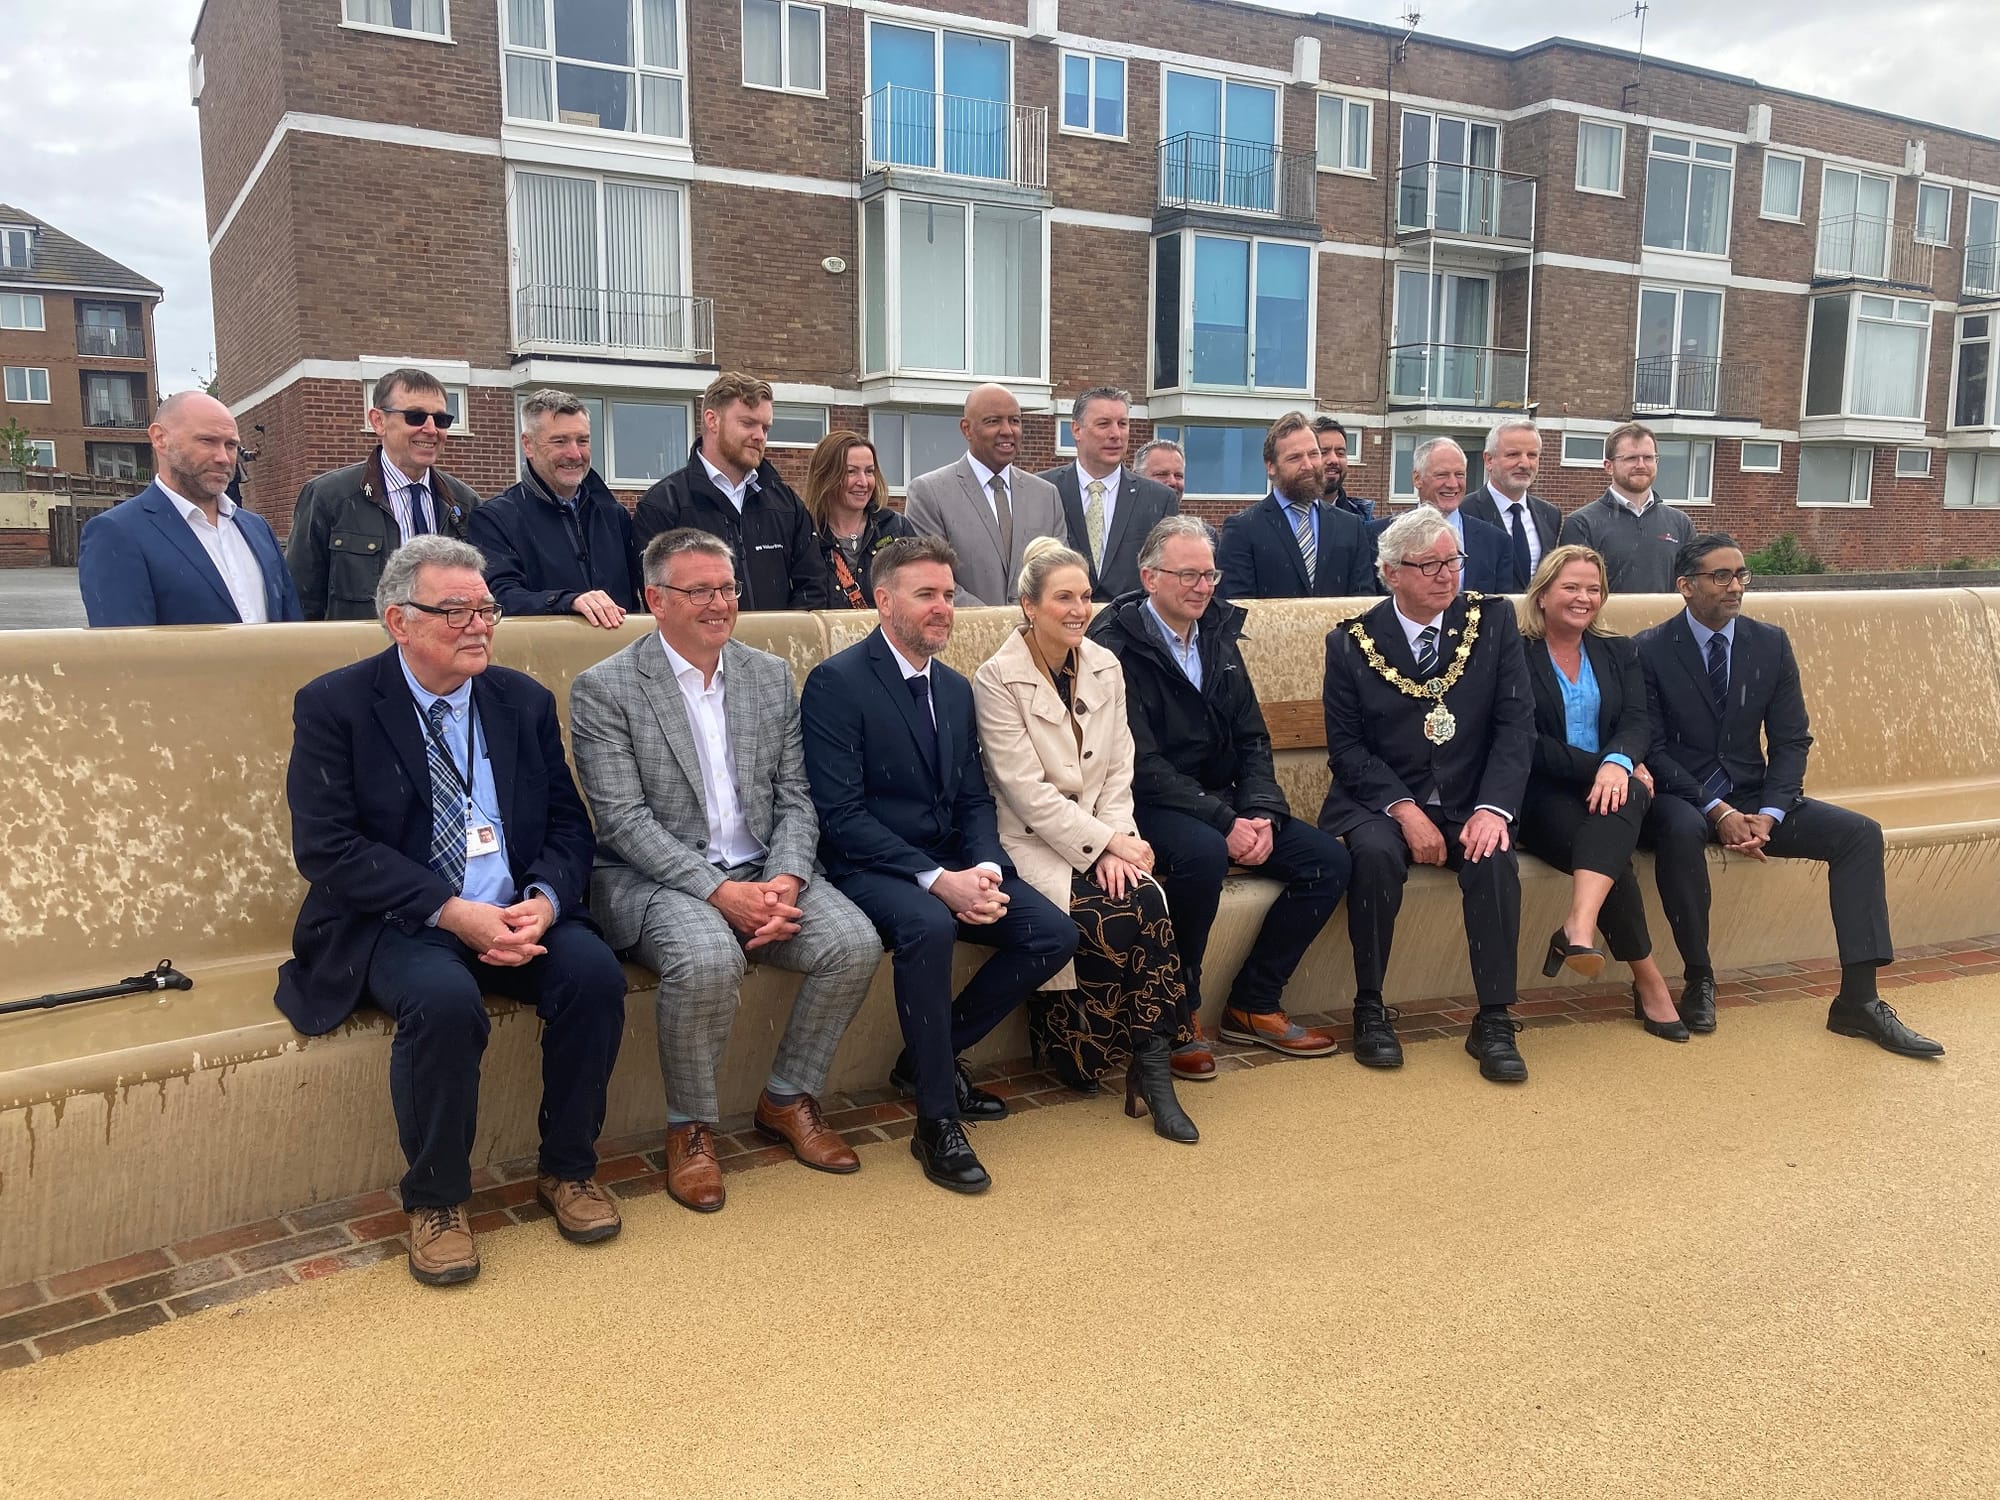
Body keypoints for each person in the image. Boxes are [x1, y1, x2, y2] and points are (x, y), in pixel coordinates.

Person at [274, 535, 626, 1286]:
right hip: (399, 921)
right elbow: (329, 849)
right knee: (442, 999)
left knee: (592, 974)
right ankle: (435, 1201)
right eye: (456, 611)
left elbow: (568, 824)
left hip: (513, 909)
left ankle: (568, 1169)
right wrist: (449, 910)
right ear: (399, 620)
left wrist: (545, 899)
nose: (480, 626)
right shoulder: (337, 704)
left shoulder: (520, 701)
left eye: (487, 608)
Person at [569, 529, 882, 1213]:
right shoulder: (606, 689)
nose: (720, 603)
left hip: (765, 868)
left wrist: (789, 880)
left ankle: (787, 1097)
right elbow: (623, 822)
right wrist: (719, 891)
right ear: (655, 599)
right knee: (709, 957)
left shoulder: (767, 676)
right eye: (700, 590)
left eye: (728, 588)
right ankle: (690, 1128)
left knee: (853, 942)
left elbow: (798, 796)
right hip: (655, 880)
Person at [800, 536, 1077, 1193]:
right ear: (884, 600)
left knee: (1052, 933)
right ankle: (936, 1119)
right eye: (926, 595)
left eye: (949, 595)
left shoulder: (954, 689)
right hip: (868, 866)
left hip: (952, 861)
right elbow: (841, 818)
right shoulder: (836, 683)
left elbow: (975, 797)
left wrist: (985, 868)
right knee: (931, 926)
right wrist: (937, 881)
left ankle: (928, 1057)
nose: (943, 608)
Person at [1635, 533, 1944, 1056]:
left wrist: (1771, 814)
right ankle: (1700, 977)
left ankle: (1858, 1002)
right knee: (1683, 831)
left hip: (1757, 797)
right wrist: (1717, 809)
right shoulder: (1648, 648)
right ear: (1685, 586)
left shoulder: (1769, 643)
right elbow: (1653, 749)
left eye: (1741, 575)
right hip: (1682, 798)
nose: (1735, 586)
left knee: (1859, 835)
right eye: (1720, 576)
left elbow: (1791, 739)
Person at [1089, 517, 1351, 1073]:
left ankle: (1253, 1003)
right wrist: (1224, 822)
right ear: (1149, 576)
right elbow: (1139, 763)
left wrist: (1258, 812)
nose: (1203, 587)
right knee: (1202, 855)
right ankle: (1174, 1010)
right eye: (1188, 575)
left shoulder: (1219, 633)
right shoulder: (1113, 648)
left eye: (1209, 574)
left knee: (1328, 861)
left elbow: (1254, 736)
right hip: (1146, 804)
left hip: (1225, 800)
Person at [973, 536, 1197, 1142]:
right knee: (1130, 909)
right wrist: (1104, 846)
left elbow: (1119, 768)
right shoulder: (996, 678)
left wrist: (1118, 839)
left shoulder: (1106, 663)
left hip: (1101, 834)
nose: (1078, 609)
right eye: (1063, 598)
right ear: (1029, 604)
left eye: (1086, 596)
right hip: (1033, 843)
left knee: (1144, 898)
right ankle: (1107, 1059)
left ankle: (1150, 1073)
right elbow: (1023, 790)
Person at [1317, 506, 1534, 1083]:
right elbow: (1348, 750)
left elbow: (1517, 725)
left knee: (1493, 856)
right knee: (1374, 855)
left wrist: (1493, 809)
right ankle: (1370, 1006)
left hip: (1471, 795)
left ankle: (1492, 1017)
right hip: (1381, 798)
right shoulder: (1351, 643)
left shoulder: (1492, 621)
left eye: (1453, 560)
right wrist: (1407, 810)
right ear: (1391, 573)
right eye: (1430, 565)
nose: (1447, 575)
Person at [1513, 545, 1689, 1041]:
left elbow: (1637, 720)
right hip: (1542, 794)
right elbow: (1526, 742)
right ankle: (1648, 981)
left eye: (1593, 589)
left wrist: (1619, 761)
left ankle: (1579, 929)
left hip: (1611, 791)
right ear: (1543, 593)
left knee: (1625, 800)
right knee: (1615, 851)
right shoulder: (1517, 653)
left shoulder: (1619, 650)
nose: (1583, 598)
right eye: (1570, 587)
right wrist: (1609, 767)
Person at [80, 392, 303, 626]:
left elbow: (291, 632)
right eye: (207, 441)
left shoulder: (257, 528)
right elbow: (125, 652)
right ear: (160, 438)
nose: (223, 458)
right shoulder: (117, 533)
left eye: (231, 445)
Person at [286, 368, 481, 621]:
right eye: (416, 416)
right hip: (360, 652)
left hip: (438, 653)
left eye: (442, 420)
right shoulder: (329, 497)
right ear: (378, 421)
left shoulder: (465, 503)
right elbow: (300, 602)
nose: (431, 429)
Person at [632, 373, 829, 611]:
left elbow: (813, 588)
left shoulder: (786, 504)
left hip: (776, 646)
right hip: (700, 647)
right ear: (712, 420)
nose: (760, 436)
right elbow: (661, 598)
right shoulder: (663, 505)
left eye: (765, 428)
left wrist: (784, 639)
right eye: (748, 423)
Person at [468, 389, 643, 628]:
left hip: (618, 658)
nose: (574, 454)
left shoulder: (615, 515)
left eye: (583, 440)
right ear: (528, 445)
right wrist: (568, 601)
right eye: (560, 441)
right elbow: (498, 598)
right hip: (539, 662)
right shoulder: (494, 519)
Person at [903, 383, 1068, 606]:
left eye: (1015, 421)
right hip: (965, 634)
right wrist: (992, 624)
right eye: (993, 421)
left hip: (1034, 636)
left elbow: (1059, 573)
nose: (1008, 430)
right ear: (966, 429)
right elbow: (930, 576)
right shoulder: (929, 492)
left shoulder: (1046, 495)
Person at [1037, 386, 1179, 599]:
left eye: (1122, 424)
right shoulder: (1042, 490)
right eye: (1104, 424)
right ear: (1076, 430)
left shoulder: (1159, 499)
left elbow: (1166, 575)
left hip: (1130, 627)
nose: (1115, 434)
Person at [1217, 410, 1377, 599]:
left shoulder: (1350, 526)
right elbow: (1235, 609)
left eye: (1313, 454)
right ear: (1271, 466)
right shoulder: (1243, 529)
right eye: (1295, 457)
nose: (1308, 465)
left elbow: (1363, 604)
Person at [1558, 422, 1695, 595]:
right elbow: (1575, 591)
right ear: (1609, 466)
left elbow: (1692, 587)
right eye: (1631, 458)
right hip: (1607, 622)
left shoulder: (1680, 523)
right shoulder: (1582, 524)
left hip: (1666, 621)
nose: (1641, 465)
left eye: (1648, 458)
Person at [1377, 437, 1512, 594]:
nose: (1453, 484)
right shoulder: (1379, 534)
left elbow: (1501, 610)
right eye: (1442, 475)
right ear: (1417, 478)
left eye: (1460, 474)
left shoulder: (1496, 542)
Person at [800, 428, 913, 608]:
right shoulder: (803, 534)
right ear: (826, 476)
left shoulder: (896, 527)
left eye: (869, 471)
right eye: (851, 472)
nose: (863, 482)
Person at [1463, 418, 1560, 592]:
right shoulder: (1464, 512)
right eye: (1513, 454)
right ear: (1488, 460)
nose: (1524, 464)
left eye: (1532, 455)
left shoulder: (1550, 515)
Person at [1311, 416, 1375, 521]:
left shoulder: (1362, 519)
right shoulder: (1286, 518)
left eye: (1340, 453)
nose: (1334, 460)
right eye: (1323, 452)